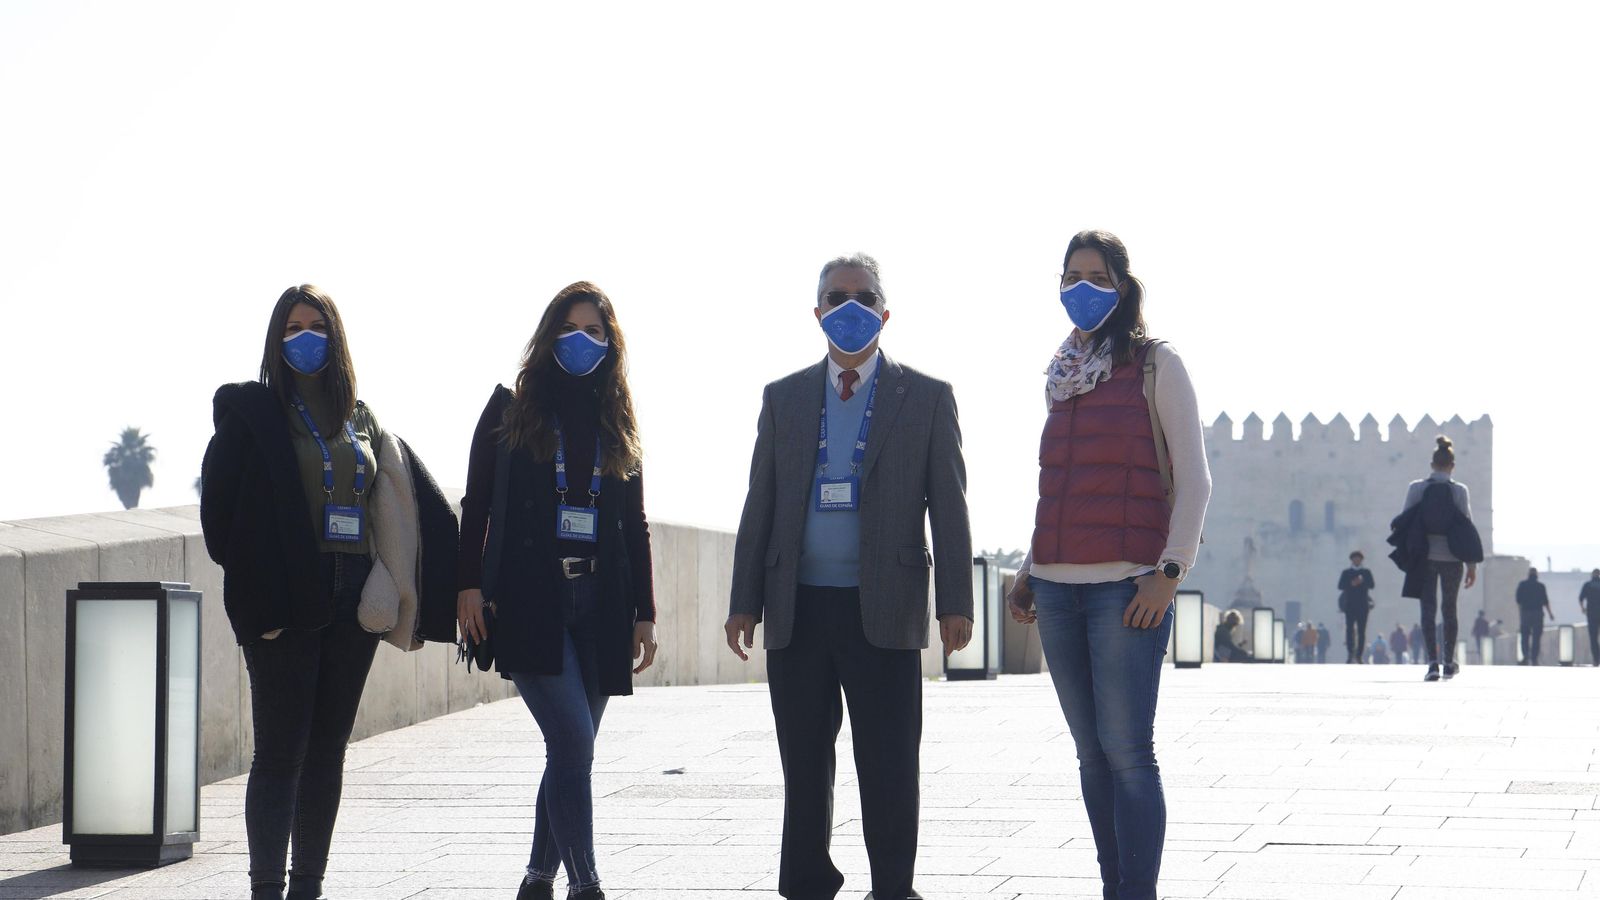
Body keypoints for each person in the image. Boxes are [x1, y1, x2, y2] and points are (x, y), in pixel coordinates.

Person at [725, 253, 973, 900]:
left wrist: (956, 604)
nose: (850, 307)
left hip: (884, 607)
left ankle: (893, 886)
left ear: (885, 312)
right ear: (817, 313)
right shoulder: (783, 398)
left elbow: (949, 508)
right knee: (805, 764)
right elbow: (762, 501)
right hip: (798, 607)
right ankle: (807, 881)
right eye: (836, 297)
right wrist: (743, 599)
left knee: (889, 763)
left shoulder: (925, 398)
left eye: (863, 296)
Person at [201, 285, 457, 900]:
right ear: (275, 338)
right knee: (280, 750)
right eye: (292, 327)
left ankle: (306, 887)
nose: (304, 337)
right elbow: (220, 523)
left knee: (326, 750)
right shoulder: (255, 415)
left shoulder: (359, 418)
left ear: (336, 338)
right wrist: (257, 591)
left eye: (316, 325)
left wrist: (393, 580)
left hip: (354, 595)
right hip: (288, 594)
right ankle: (266, 888)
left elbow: (389, 504)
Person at [1007, 230, 1211, 900]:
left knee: (1128, 755)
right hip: (1059, 589)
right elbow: (1064, 483)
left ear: (1122, 286)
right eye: (1070, 277)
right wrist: (1030, 566)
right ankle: (1112, 886)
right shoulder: (1061, 374)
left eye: (1095, 277)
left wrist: (1169, 572)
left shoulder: (1158, 365)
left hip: (1126, 590)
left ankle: (1136, 893)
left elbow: (1195, 481)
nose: (1080, 289)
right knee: (1091, 758)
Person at [456, 282, 659, 900]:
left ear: (611, 344)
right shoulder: (508, 411)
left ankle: (539, 877)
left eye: (596, 332)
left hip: (600, 605)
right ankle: (587, 884)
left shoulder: (617, 422)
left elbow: (634, 521)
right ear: (549, 338)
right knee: (572, 740)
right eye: (572, 330)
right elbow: (478, 504)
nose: (583, 341)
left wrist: (645, 612)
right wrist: (466, 586)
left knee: (573, 750)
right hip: (529, 605)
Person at [1388, 436, 1483, 682]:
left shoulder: (1416, 488)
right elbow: (1466, 528)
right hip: (1453, 559)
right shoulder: (1459, 491)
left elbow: (1405, 522)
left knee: (1427, 609)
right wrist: (1471, 565)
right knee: (1449, 609)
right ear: (1452, 466)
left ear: (1432, 464)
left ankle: (1432, 663)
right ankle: (1449, 662)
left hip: (1425, 558)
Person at [1338, 551, 1375, 664]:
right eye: (1355, 558)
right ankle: (1350, 653)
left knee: (1361, 631)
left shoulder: (1366, 572)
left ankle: (1359, 655)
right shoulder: (1346, 572)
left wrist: (1362, 582)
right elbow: (1340, 586)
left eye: (1358, 559)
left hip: (1363, 606)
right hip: (1350, 605)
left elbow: (1372, 585)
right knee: (1349, 630)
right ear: (1352, 560)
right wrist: (1351, 583)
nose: (1357, 560)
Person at [1514, 568, 1553, 666]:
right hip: (1537, 614)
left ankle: (1526, 656)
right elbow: (1546, 601)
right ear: (1536, 575)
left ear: (1528, 574)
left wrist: (1520, 613)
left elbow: (1518, 601)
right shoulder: (1540, 586)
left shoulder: (1522, 585)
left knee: (1525, 636)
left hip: (1526, 613)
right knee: (1536, 637)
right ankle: (1534, 658)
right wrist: (1550, 614)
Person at [1581, 570, 1600, 666]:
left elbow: (1581, 598)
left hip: (1592, 614)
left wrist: (1583, 608)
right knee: (1593, 638)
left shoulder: (1587, 585)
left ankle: (1596, 660)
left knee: (1593, 638)